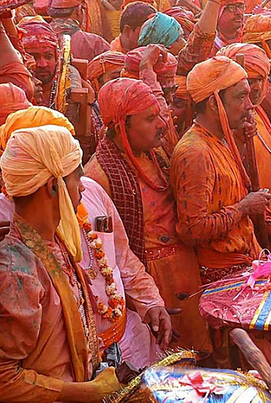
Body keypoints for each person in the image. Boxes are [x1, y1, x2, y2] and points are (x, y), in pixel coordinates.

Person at [0, 125, 122, 403]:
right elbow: (4, 377)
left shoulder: (54, 244)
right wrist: (84, 391)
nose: (82, 187)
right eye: (75, 177)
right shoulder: (16, 267)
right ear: (53, 186)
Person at [84, 78, 211, 355]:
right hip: (149, 282)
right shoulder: (98, 178)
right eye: (150, 118)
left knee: (201, 356)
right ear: (121, 126)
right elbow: (109, 254)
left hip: (185, 273)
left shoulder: (157, 152)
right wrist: (146, 301)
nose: (161, 124)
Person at [170, 56, 266, 284]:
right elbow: (193, 229)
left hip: (242, 264)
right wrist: (244, 207)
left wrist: (239, 143)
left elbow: (221, 193)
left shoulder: (218, 139)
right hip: (221, 275)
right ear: (214, 104)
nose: (249, 105)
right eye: (241, 97)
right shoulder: (195, 152)